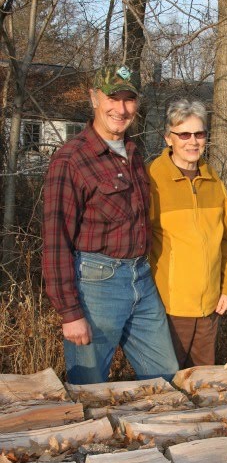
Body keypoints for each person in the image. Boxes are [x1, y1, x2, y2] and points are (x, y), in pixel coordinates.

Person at [42, 64, 178, 384]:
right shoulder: (71, 159)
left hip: (141, 279)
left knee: (167, 380)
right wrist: (70, 313)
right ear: (94, 98)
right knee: (89, 389)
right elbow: (55, 240)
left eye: (129, 100)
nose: (121, 108)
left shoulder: (133, 152)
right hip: (96, 283)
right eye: (112, 99)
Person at [147, 99, 227, 368]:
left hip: (210, 309)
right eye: (184, 134)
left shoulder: (213, 181)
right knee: (167, 389)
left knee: (204, 386)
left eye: (199, 134)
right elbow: (137, 246)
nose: (193, 141)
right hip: (169, 310)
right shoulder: (152, 180)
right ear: (169, 138)